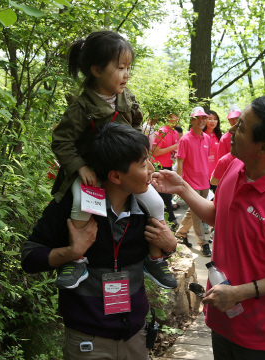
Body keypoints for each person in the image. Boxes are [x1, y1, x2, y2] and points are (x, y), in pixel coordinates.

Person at [152, 96, 265, 360]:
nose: (230, 131)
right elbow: (219, 216)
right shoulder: (235, 166)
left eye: (241, 127)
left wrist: (238, 292)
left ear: (263, 148)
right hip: (222, 320)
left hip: (260, 335)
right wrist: (183, 187)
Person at [22, 123, 178, 359]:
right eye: (142, 163)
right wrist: (72, 251)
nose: (151, 168)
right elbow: (29, 257)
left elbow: (153, 252)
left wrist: (170, 246)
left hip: (135, 336)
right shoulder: (71, 208)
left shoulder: (145, 209)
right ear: (115, 175)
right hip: (87, 340)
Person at [50, 30, 176, 290]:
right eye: (120, 68)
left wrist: (142, 155)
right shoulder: (81, 108)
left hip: (124, 170)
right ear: (96, 70)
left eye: (128, 67)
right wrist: (81, 167)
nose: (126, 74)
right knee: (83, 206)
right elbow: (61, 141)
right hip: (92, 172)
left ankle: (155, 259)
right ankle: (77, 259)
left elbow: (138, 124)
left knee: (154, 203)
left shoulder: (127, 98)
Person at [174, 106, 212, 256]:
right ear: (192, 120)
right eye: (198, 118)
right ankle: (203, 243)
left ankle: (181, 234)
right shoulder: (185, 139)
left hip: (205, 182)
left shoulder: (207, 138)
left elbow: (205, 160)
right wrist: (178, 183)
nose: (202, 121)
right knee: (198, 213)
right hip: (191, 183)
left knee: (194, 211)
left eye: (204, 118)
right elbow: (180, 163)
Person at [152, 114, 180, 231]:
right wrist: (173, 147)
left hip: (169, 166)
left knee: (166, 196)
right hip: (159, 166)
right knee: (164, 196)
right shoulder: (161, 131)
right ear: (167, 117)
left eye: (176, 116)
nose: (175, 119)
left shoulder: (175, 132)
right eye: (173, 116)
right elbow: (155, 152)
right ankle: (171, 221)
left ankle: (169, 222)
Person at [204, 109, 223, 191]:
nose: (213, 121)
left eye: (215, 119)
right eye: (210, 118)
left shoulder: (219, 136)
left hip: (216, 174)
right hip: (204, 175)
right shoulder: (201, 136)